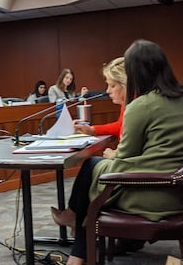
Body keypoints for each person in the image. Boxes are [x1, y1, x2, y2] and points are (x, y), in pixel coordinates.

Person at [48, 40, 183, 265]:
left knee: (92, 169)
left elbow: (123, 159)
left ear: (135, 73)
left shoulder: (141, 105)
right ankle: (75, 258)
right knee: (95, 169)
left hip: (152, 195)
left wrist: (110, 154)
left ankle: (75, 248)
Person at [50, 58, 126, 235]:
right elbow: (120, 125)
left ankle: (76, 219)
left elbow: (128, 142)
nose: (107, 91)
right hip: (127, 165)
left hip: (127, 171)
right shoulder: (129, 103)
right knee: (92, 164)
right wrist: (92, 130)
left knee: (91, 165)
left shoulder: (136, 105)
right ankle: (75, 218)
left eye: (111, 85)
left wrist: (114, 154)